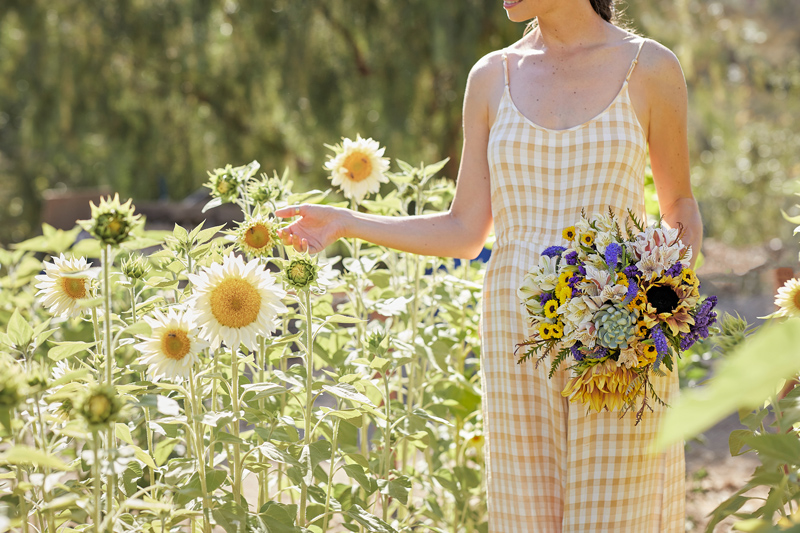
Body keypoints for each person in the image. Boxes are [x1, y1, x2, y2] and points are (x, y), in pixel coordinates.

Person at [276, 0, 700, 530]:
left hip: (620, 334)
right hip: (515, 335)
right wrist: (345, 221)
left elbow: (680, 207)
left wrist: (657, 298)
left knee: (619, 517)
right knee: (525, 516)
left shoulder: (650, 67)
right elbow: (465, 231)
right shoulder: (491, 76)